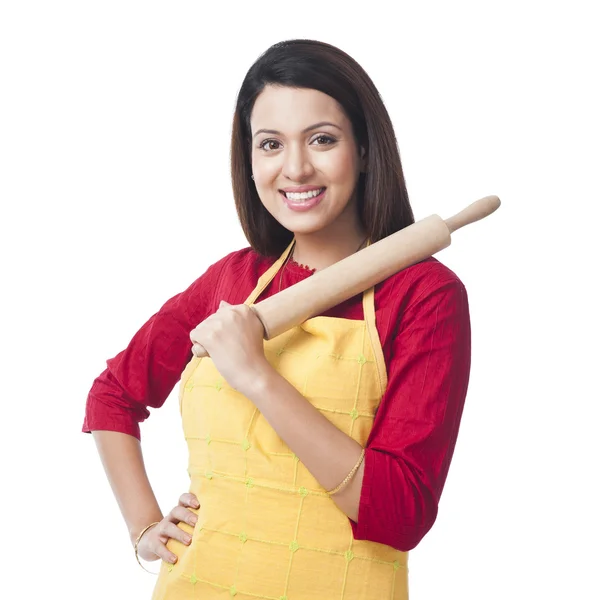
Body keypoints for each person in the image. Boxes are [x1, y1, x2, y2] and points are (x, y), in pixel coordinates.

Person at [83, 39, 471, 600]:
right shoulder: (230, 282)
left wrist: (258, 377)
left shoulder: (423, 295)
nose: (295, 168)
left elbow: (399, 515)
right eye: (270, 144)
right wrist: (145, 528)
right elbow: (112, 395)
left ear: (363, 147)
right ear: (250, 159)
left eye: (322, 139)